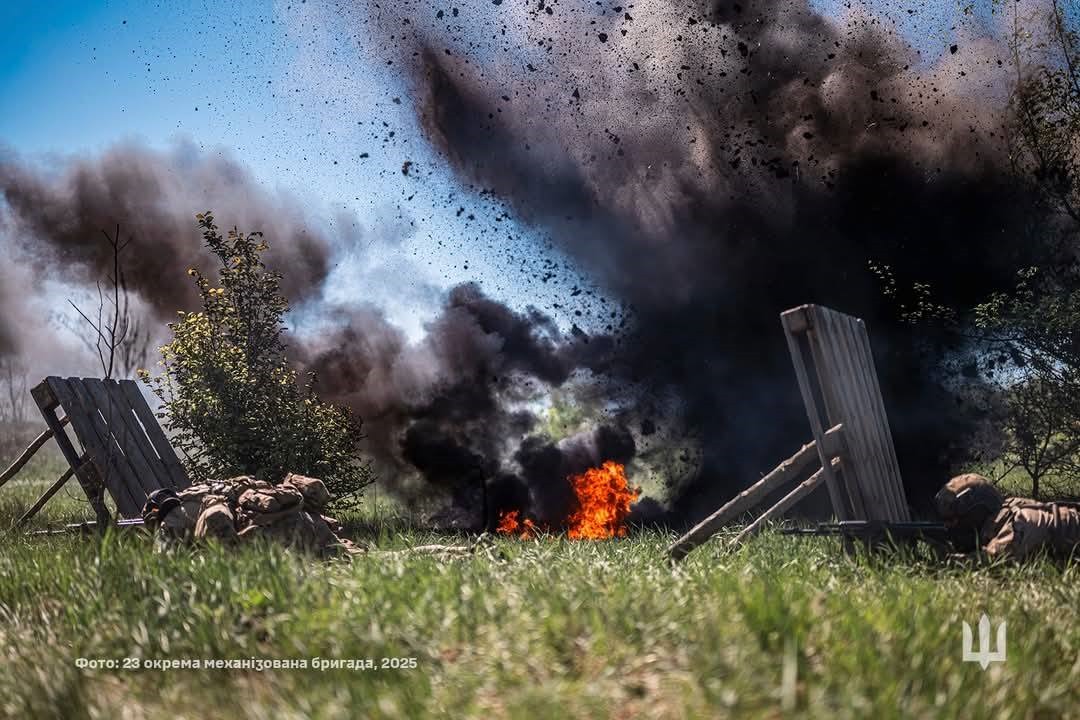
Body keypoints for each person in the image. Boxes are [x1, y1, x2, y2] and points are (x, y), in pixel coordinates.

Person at [935, 473, 1080, 562]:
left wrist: (950, 560)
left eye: (954, 520)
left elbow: (995, 562)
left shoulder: (1020, 521)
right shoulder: (1008, 516)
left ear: (977, 513)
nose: (949, 526)